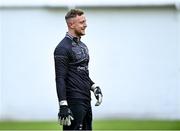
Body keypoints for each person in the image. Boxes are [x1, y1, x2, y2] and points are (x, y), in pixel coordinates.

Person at [54, 9, 103, 130]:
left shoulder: (83, 46)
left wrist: (94, 87)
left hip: (86, 99)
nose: (85, 25)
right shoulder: (62, 48)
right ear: (71, 24)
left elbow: (82, 72)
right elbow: (60, 78)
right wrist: (63, 105)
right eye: (82, 22)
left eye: (85, 21)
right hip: (74, 101)